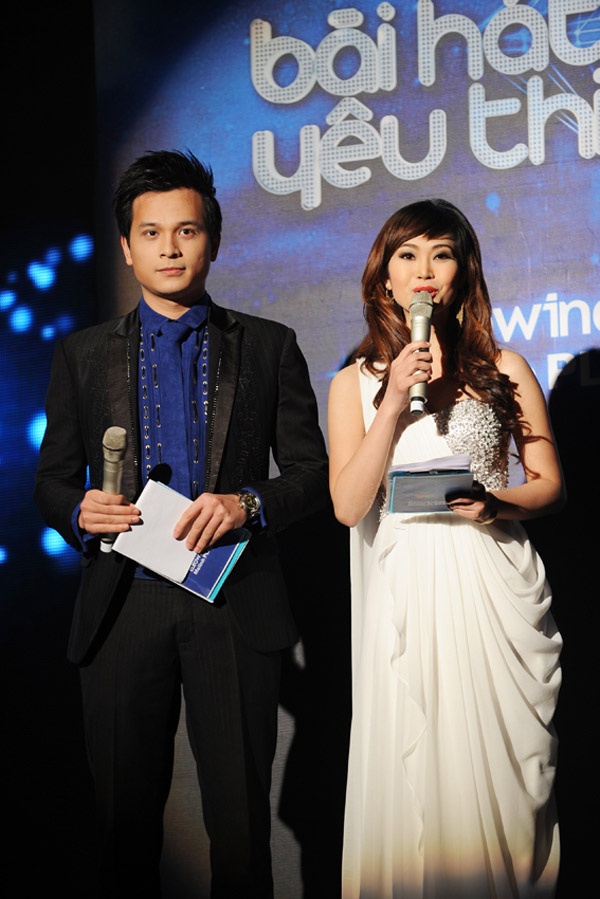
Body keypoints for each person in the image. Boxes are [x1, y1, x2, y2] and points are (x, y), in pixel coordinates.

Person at [34, 148, 330, 899]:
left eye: (187, 231)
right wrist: (77, 510)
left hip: (230, 594)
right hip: (121, 602)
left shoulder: (269, 344)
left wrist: (246, 503)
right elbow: (52, 480)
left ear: (213, 241)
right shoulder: (81, 354)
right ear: (126, 247)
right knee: (124, 832)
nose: (170, 247)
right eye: (152, 232)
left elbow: (311, 473)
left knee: (241, 831)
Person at [327, 198, 565, 898]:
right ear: (385, 277)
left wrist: (496, 503)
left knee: (498, 775)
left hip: (489, 575)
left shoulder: (505, 365)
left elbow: (549, 483)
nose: (424, 270)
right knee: (417, 766)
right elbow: (347, 506)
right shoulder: (351, 383)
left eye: (441, 254)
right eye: (407, 255)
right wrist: (392, 399)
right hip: (405, 588)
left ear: (463, 272)